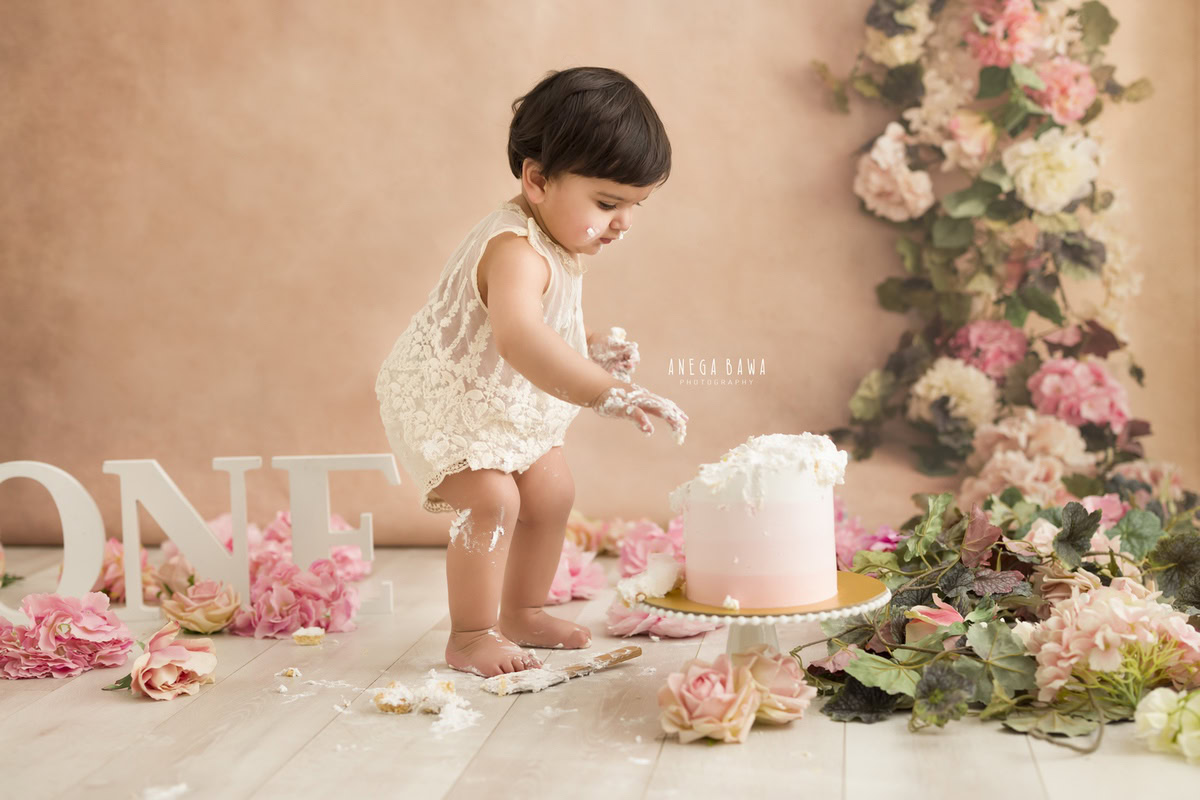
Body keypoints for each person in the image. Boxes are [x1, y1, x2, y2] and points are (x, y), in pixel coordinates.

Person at [375, 66, 688, 678]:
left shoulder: (561, 240)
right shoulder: (515, 249)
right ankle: (469, 635)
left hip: (498, 395)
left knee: (552, 491)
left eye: (635, 206)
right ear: (537, 180)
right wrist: (606, 391)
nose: (622, 222)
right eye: (608, 203)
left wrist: (590, 347)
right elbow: (518, 338)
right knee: (492, 499)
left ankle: (521, 611)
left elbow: (546, 329)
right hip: (446, 400)